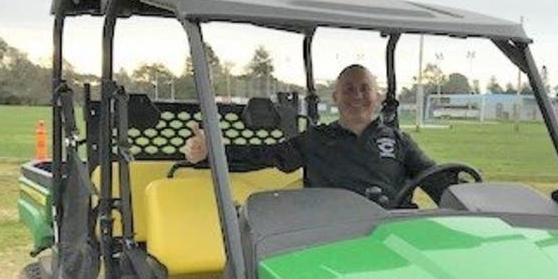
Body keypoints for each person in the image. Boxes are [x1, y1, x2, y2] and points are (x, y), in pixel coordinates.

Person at [183, 64, 453, 206]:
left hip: (390, 234)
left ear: (378, 97)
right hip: (331, 234)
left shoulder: (398, 142)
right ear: (335, 97)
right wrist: (211, 153)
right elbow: (264, 156)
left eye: (364, 89)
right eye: (348, 89)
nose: (357, 96)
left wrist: (465, 196)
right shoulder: (316, 139)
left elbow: (433, 178)